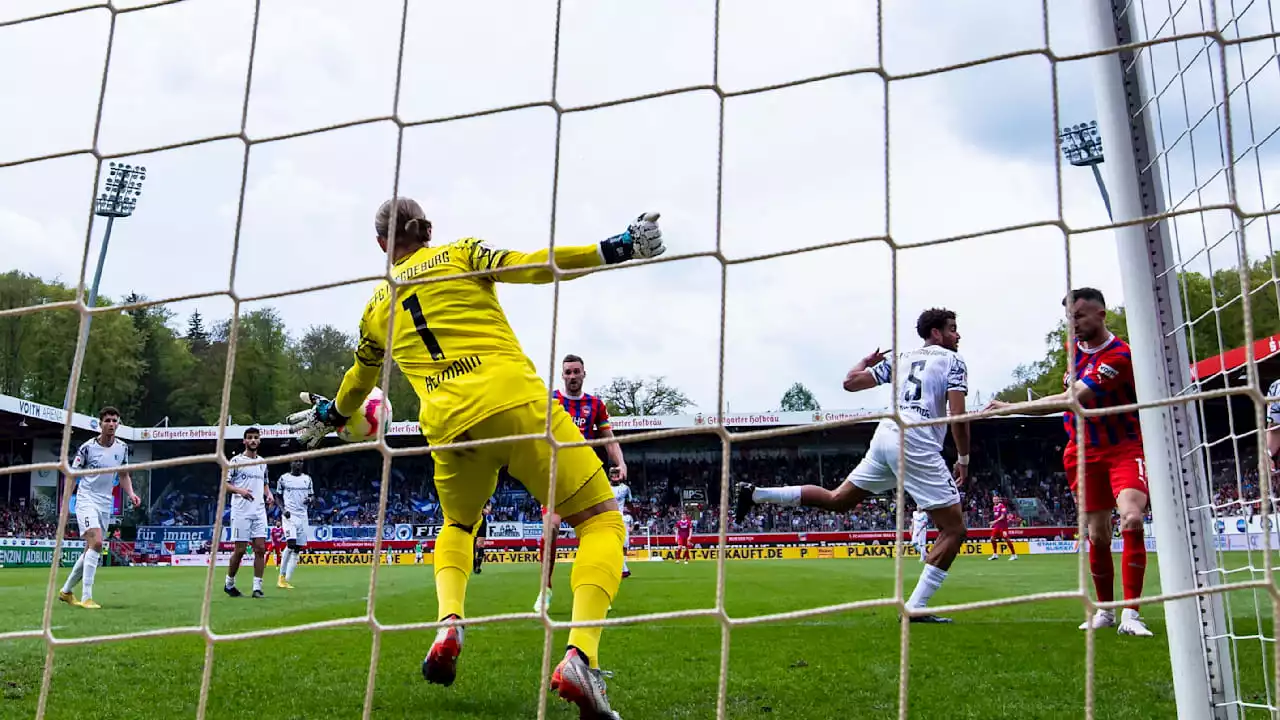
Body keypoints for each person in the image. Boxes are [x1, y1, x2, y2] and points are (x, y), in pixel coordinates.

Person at [285, 197, 664, 718]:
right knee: (601, 522)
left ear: (380, 245)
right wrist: (613, 248)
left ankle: (449, 625)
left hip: (445, 423)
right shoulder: (461, 254)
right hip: (516, 401)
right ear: (427, 229)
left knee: (459, 525)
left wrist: (332, 416)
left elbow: (360, 380)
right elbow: (534, 264)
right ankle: (581, 655)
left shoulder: (376, 308)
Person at [735, 308, 971, 623]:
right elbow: (957, 416)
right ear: (937, 334)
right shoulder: (953, 361)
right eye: (953, 329)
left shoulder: (901, 359)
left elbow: (850, 383)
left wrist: (865, 361)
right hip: (916, 439)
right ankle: (915, 608)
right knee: (954, 529)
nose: (958, 335)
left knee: (838, 499)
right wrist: (964, 458)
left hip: (886, 435)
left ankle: (757, 495)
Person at [987, 288, 1152, 636]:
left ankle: (1131, 614)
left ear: (1101, 315)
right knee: (1097, 533)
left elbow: (1071, 397)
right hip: (1082, 450)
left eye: (1079, 316)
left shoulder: (1119, 356)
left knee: (1132, 519)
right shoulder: (1071, 351)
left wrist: (1011, 407)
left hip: (1123, 446)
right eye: (1069, 317)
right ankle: (1105, 611)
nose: (1073, 323)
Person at [535, 354, 627, 611]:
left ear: (584, 374)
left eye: (577, 371)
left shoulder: (595, 405)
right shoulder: (550, 401)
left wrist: (620, 462)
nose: (573, 376)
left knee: (598, 533)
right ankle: (546, 589)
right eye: (568, 372)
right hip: (556, 479)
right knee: (550, 529)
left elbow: (609, 438)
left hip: (586, 479)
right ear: (562, 375)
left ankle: (595, 589)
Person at [59, 407, 140, 609]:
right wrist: (65, 505)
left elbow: (123, 474)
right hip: (86, 500)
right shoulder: (87, 448)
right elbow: (72, 476)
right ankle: (87, 597)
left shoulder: (122, 448)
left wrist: (131, 493)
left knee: (90, 549)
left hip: (105, 503)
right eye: (108, 421)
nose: (111, 424)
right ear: (100, 423)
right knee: (97, 543)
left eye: (115, 420)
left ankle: (66, 591)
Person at [224, 428, 274, 599]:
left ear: (259, 441)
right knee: (240, 550)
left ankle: (257, 588)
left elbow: (265, 482)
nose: (253, 440)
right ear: (244, 441)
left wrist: (269, 494)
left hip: (259, 511)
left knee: (260, 548)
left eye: (256, 438)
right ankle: (229, 583)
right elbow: (225, 484)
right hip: (241, 511)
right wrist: (241, 491)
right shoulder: (236, 461)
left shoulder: (262, 462)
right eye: (250, 438)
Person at [275, 459, 314, 588]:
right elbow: (278, 496)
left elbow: (312, 496)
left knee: (297, 548)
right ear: (291, 463)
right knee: (291, 544)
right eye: (296, 462)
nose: (299, 464)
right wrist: (283, 510)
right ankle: (281, 577)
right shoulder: (283, 478)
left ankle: (286, 579)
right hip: (289, 516)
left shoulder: (307, 479)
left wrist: (309, 499)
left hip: (303, 516)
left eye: (301, 462)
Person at [988, 495, 1018, 561]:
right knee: (992, 539)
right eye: (994, 499)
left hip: (1003, 526)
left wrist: (994, 521)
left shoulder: (1002, 506)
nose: (995, 500)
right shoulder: (994, 507)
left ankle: (1014, 555)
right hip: (997, 526)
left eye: (996, 499)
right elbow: (996, 517)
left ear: (998, 500)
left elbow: (1003, 516)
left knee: (1007, 539)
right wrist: (993, 524)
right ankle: (995, 554)